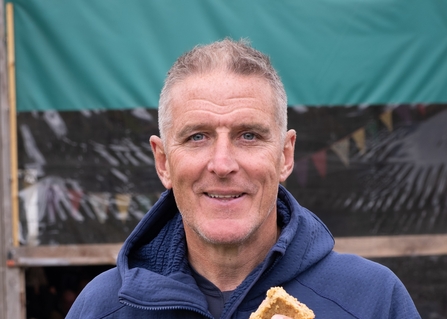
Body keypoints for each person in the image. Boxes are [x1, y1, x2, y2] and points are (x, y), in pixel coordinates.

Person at [66, 38, 420, 319]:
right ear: (163, 163)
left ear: (285, 155)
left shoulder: (371, 300)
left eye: (248, 135)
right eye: (197, 137)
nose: (222, 164)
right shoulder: (102, 308)